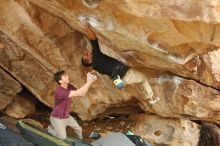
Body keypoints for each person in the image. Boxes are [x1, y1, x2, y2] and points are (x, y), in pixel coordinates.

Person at [81, 23, 160, 104]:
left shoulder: (95, 65)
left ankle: (147, 94)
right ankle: (151, 98)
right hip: (125, 74)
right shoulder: (96, 57)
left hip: (119, 79)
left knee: (137, 79)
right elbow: (94, 40)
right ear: (89, 61)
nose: (88, 53)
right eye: (87, 55)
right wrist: (87, 28)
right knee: (143, 78)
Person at [47, 70, 97, 140]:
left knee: (79, 129)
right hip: (57, 118)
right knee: (62, 137)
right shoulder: (60, 92)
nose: (68, 76)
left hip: (67, 116)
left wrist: (89, 82)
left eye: (67, 75)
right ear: (60, 81)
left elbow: (82, 93)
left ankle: (79, 141)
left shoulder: (69, 86)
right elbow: (78, 93)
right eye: (65, 76)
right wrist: (89, 82)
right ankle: (50, 129)